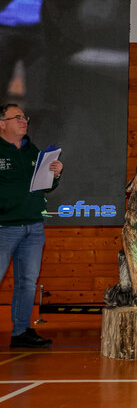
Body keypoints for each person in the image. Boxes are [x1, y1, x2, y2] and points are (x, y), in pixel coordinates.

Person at [0, 103, 63, 348]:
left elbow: (45, 185)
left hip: (33, 228)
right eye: (16, 117)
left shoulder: (32, 150)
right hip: (4, 228)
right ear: (2, 124)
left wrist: (55, 174)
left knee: (27, 282)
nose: (24, 120)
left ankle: (21, 332)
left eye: (24, 117)